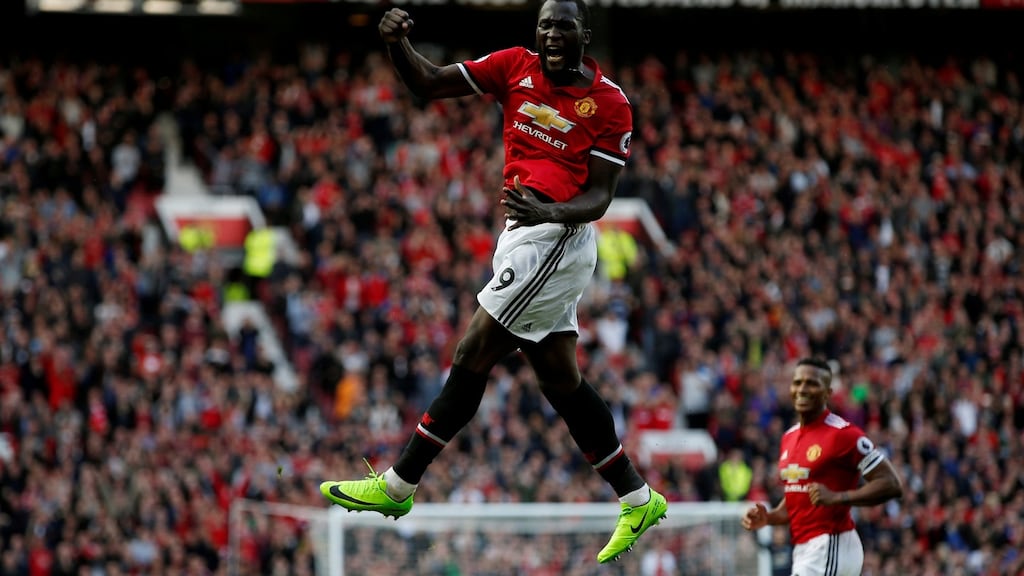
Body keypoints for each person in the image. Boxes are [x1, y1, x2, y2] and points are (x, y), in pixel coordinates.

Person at [320, 0, 667, 563]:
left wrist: (552, 215)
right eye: (545, 25)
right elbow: (429, 84)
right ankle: (637, 495)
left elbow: (601, 196)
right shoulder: (513, 66)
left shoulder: (609, 103)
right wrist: (395, 44)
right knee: (559, 381)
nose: (552, 34)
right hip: (523, 232)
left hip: (556, 237)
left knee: (473, 350)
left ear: (585, 34)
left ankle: (398, 485)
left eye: (564, 26)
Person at [741, 358, 903, 576]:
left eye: (812, 383)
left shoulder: (843, 435)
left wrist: (838, 498)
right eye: (798, 382)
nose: (802, 389)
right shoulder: (789, 437)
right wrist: (769, 518)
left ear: (828, 392)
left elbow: (891, 483)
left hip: (831, 542)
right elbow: (796, 499)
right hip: (805, 549)